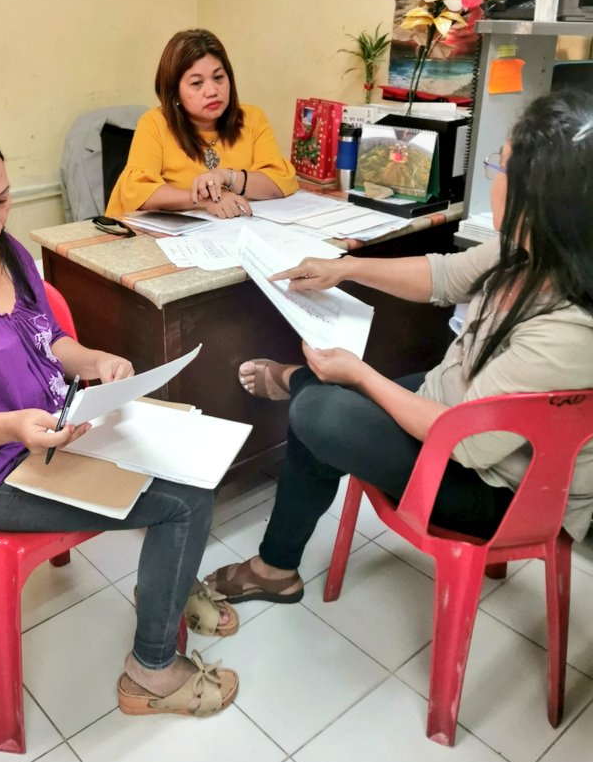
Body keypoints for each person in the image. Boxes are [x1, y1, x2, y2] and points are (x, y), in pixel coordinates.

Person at [0, 117, 238, 717]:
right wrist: (13, 426)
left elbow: (45, 337)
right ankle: (151, 673)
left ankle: (161, 589)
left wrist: (95, 358)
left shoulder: (4, 250)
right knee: (182, 501)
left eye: (2, 200)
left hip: (50, 430)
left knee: (192, 458)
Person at [206, 91, 593, 602]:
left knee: (319, 410)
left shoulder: (570, 327)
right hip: (449, 409)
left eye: (500, 170)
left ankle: (293, 384)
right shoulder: (527, 246)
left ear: (537, 195)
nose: (492, 180)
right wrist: (344, 267)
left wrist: (362, 376)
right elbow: (444, 276)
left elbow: (469, 442)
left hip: (499, 490)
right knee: (316, 404)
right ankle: (277, 566)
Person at [105, 28, 298, 219]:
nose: (212, 91)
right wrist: (205, 199)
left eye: (218, 77)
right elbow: (135, 191)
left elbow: (281, 181)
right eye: (197, 83)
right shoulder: (155, 123)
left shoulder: (252, 118)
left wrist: (226, 177)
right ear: (175, 93)